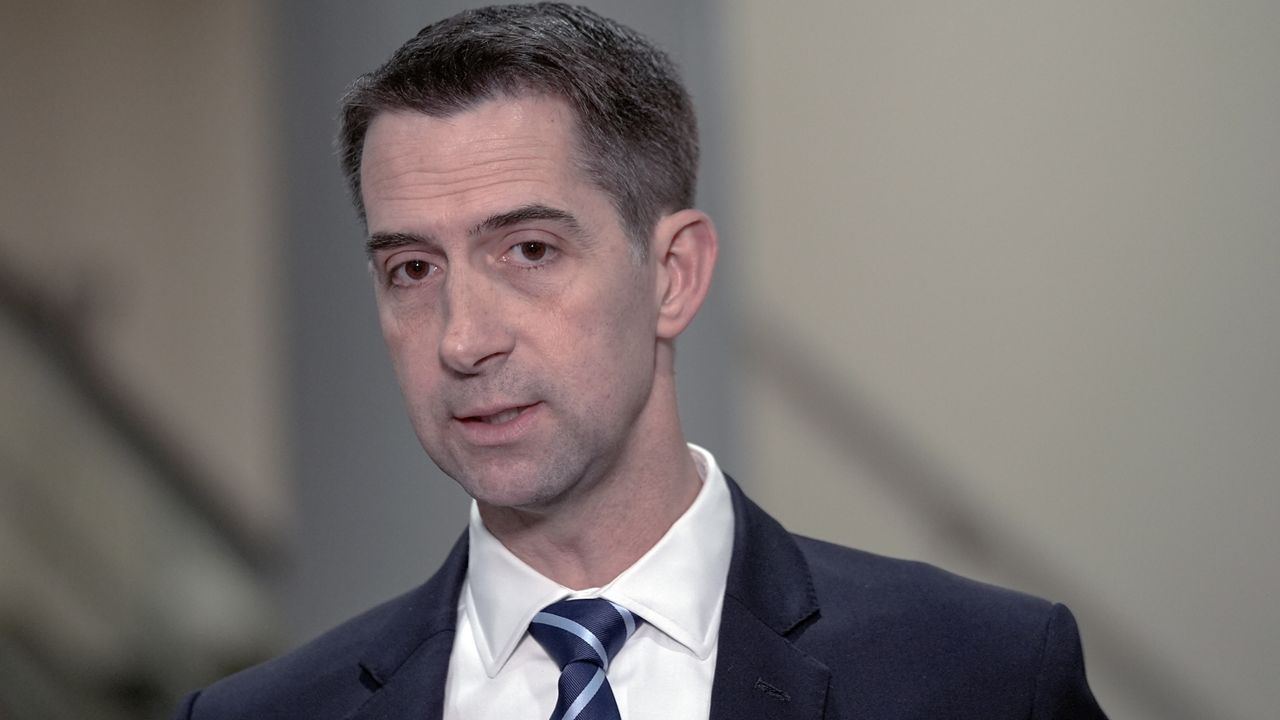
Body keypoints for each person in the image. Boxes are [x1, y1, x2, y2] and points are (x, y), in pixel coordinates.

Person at [172, 4, 1107, 719]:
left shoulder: (981, 674)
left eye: (528, 250)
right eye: (412, 269)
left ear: (673, 274)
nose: (462, 339)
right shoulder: (267, 713)